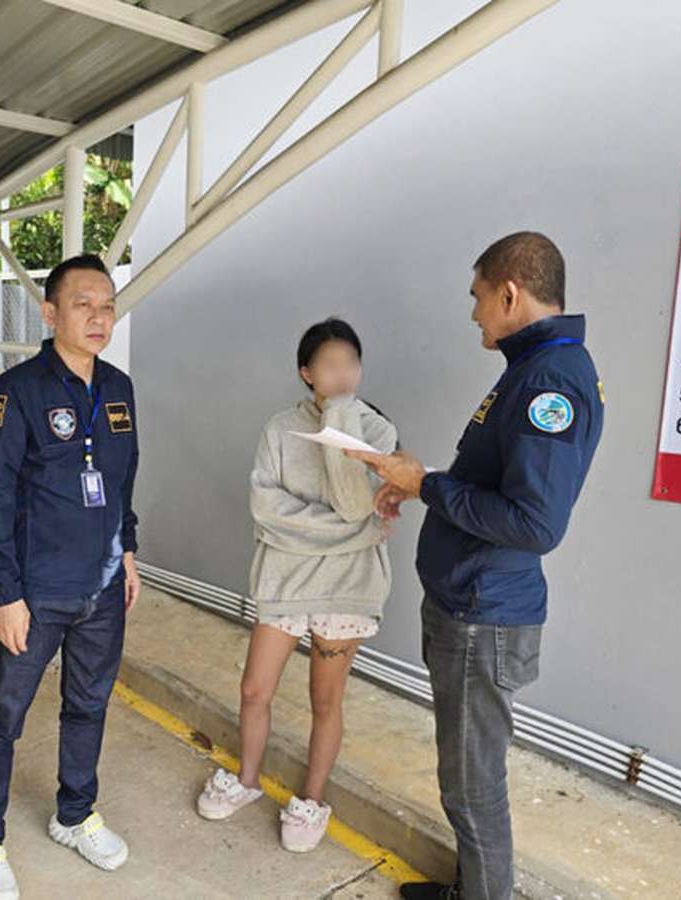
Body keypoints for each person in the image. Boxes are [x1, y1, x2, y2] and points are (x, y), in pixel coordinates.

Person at [349, 233, 604, 900]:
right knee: (465, 774)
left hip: (483, 614)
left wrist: (426, 484)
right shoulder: (534, 367)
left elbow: (535, 523)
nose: (474, 314)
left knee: (471, 784)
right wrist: (420, 481)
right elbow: (498, 486)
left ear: (510, 293)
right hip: (470, 603)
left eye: (478, 298)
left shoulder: (549, 378)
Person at [0, 254, 141, 900]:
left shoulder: (118, 387)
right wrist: (4, 594)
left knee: (88, 705)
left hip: (101, 589)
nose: (98, 317)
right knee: (2, 716)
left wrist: (128, 550)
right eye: (83, 305)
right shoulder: (14, 393)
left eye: (107, 306)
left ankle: (74, 813)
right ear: (49, 313)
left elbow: (122, 481)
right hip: (34, 593)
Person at [196, 318, 396, 853]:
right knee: (254, 689)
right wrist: (348, 530)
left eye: (351, 363)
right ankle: (247, 780)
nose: (343, 374)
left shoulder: (376, 431)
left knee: (324, 701)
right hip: (285, 583)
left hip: (345, 588)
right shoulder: (279, 429)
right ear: (307, 372)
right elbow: (267, 509)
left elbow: (361, 506)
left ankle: (310, 799)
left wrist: (341, 421)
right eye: (330, 365)